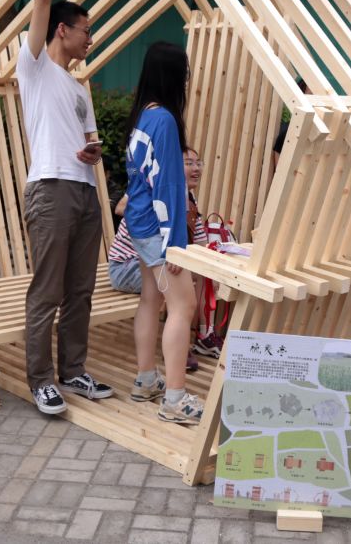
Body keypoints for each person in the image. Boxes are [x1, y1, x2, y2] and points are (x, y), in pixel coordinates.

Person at [16, 0, 113, 416]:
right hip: (50, 189)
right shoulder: (32, 67)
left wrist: (93, 153)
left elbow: (91, 144)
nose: (89, 38)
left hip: (82, 188)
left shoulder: (80, 88)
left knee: (80, 290)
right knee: (47, 290)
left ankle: (73, 371)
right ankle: (41, 380)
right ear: (61, 31)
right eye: (84, 30)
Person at [124, 41, 204, 424]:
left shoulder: (143, 115)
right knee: (182, 306)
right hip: (159, 229)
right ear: (176, 77)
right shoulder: (166, 121)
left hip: (139, 223)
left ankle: (146, 380)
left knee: (150, 301)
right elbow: (169, 186)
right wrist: (174, 244)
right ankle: (174, 398)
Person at [107, 147, 210, 372]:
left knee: (200, 273)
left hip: (152, 264)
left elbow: (202, 244)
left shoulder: (189, 200)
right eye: (188, 163)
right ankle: (182, 348)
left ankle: (203, 334)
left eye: (198, 163)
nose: (195, 168)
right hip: (126, 267)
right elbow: (123, 210)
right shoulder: (156, 194)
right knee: (180, 284)